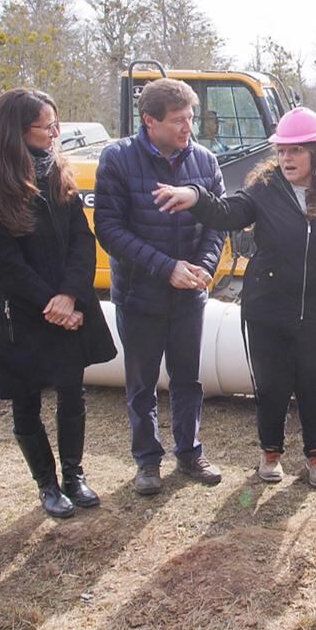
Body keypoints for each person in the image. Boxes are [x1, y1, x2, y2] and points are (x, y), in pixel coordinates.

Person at [152, 107, 316, 488]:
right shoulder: (264, 189)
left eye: (296, 151)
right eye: (282, 151)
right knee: (271, 385)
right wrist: (196, 197)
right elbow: (228, 211)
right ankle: (270, 454)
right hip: (268, 309)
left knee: (314, 385)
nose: (287, 158)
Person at [0, 88, 118, 518]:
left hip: (68, 303)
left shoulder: (57, 171)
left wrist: (69, 295)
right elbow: (2, 263)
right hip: (21, 311)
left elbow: (82, 241)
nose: (55, 134)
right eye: (46, 127)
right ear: (15, 131)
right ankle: (47, 485)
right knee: (25, 400)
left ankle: (74, 475)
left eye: (55, 124)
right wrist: (51, 303)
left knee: (72, 393)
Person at [94, 78, 227, 495]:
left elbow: (216, 221)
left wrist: (203, 266)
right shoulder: (117, 160)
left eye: (190, 118)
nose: (188, 127)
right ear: (149, 121)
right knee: (142, 384)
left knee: (188, 378)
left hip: (189, 295)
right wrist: (165, 267)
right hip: (139, 295)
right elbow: (109, 229)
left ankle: (189, 452)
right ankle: (147, 461)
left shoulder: (205, 162)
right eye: (178, 121)